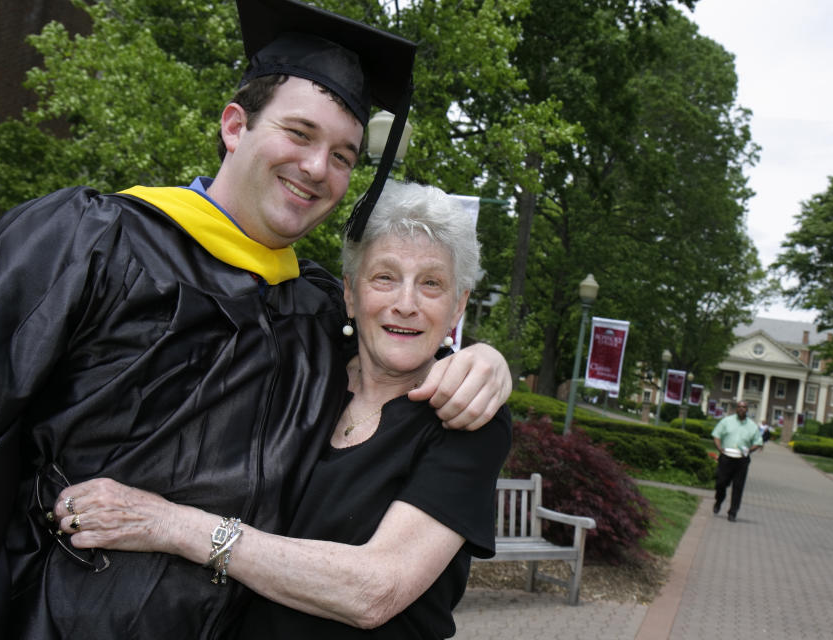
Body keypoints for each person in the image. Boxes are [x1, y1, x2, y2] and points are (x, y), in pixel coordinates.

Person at [0, 1, 511, 638]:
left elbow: (401, 337)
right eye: (299, 134)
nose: (315, 168)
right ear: (234, 126)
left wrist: (487, 362)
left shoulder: (314, 309)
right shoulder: (85, 243)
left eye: (342, 156)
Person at [49, 180, 511, 638]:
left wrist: (167, 524)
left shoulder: (464, 418)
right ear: (349, 293)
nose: (405, 304)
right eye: (385, 277)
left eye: (431, 284)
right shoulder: (302, 363)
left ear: (457, 307)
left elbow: (375, 591)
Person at [711, 401, 763, 522]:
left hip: (742, 460)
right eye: (739, 407)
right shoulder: (726, 421)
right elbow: (716, 435)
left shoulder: (752, 426)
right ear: (736, 409)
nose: (741, 409)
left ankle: (733, 512)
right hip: (726, 457)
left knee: (738, 487)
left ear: (747, 410)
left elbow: (758, 442)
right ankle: (719, 500)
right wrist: (719, 447)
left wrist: (749, 450)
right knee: (721, 483)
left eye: (744, 407)